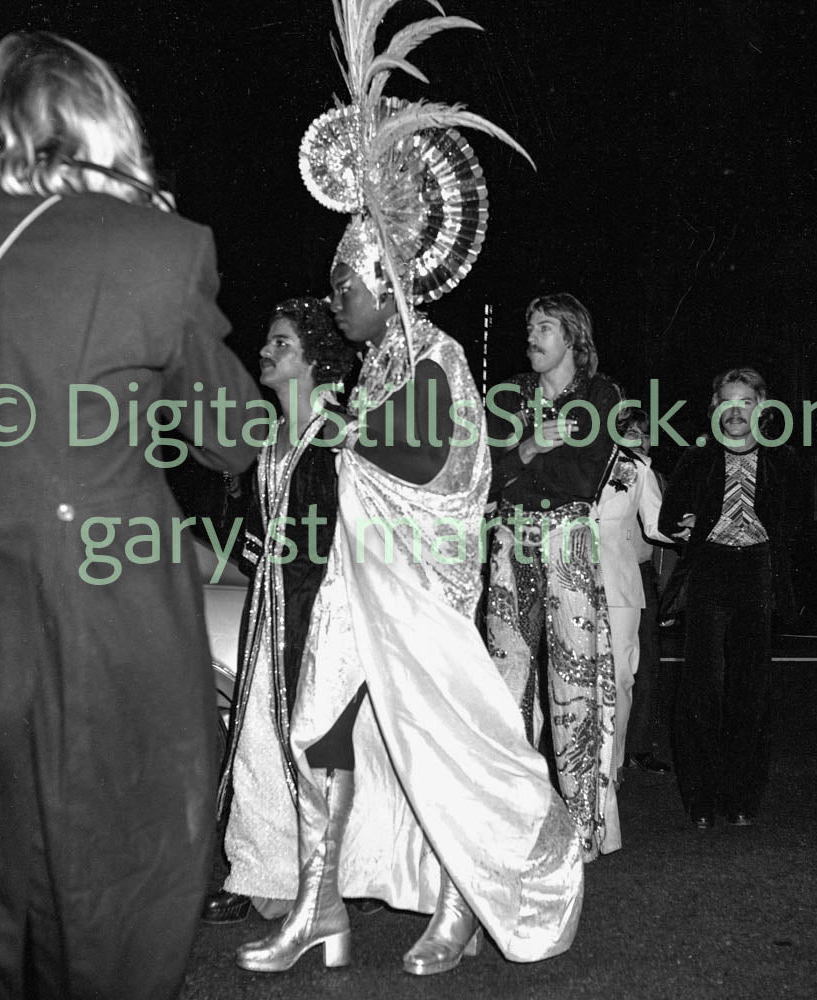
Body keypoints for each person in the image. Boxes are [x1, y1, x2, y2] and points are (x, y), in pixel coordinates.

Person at [234, 0, 584, 978]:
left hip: (419, 606)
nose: (333, 299)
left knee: (442, 754)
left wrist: (346, 433)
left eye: (342, 283)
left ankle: (464, 905)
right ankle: (316, 908)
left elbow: (435, 465)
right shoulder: (375, 365)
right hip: (359, 595)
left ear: (378, 283)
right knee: (315, 733)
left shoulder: (430, 360)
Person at [0, 33, 259, 998]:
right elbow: (232, 434)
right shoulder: (153, 247)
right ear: (105, 130)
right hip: (103, 627)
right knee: (119, 899)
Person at [202, 296, 356, 924]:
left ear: (314, 360)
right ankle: (255, 867)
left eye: (282, 343)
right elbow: (256, 534)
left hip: (320, 610)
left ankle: (333, 875)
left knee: (320, 743)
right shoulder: (269, 441)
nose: (266, 351)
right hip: (269, 605)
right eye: (268, 341)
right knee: (256, 735)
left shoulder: (339, 436)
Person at [484, 292, 623, 860]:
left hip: (567, 548)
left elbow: (582, 478)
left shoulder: (599, 395)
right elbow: (487, 475)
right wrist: (535, 442)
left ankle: (582, 834)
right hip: (509, 546)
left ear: (573, 337)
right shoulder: (510, 394)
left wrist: (523, 462)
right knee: (504, 685)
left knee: (575, 690)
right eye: (529, 326)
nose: (532, 336)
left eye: (546, 326)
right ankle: (510, 825)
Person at [658, 367, 800, 829]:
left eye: (746, 402)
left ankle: (741, 797)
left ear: (763, 408)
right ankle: (700, 798)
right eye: (727, 402)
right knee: (703, 685)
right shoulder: (695, 461)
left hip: (757, 575)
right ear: (714, 410)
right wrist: (684, 526)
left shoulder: (784, 461)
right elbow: (668, 518)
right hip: (710, 575)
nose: (736, 412)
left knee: (751, 689)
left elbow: (797, 526)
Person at [593, 407, 674, 851]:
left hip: (622, 583)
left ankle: (614, 765)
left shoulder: (639, 468)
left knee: (622, 680)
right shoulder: (575, 457)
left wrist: (695, 529)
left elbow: (658, 523)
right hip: (571, 578)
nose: (631, 435)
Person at [618, 407, 676, 774]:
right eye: (631, 433)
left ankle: (638, 746)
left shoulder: (653, 476)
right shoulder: (599, 472)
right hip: (600, 574)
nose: (641, 440)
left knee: (648, 667)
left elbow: (664, 540)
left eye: (645, 433)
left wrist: (670, 598)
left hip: (641, 577)